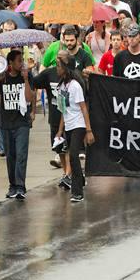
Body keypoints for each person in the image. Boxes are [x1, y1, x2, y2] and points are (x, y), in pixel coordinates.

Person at [0, 50, 34, 200]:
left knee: (21, 154)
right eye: (18, 60)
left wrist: (25, 80)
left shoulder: (27, 76)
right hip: (5, 123)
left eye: (22, 59)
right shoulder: (2, 78)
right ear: (10, 63)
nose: (21, 63)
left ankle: (20, 186)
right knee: (11, 156)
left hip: (21, 122)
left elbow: (30, 98)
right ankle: (12, 185)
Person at [54, 50, 93, 204]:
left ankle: (77, 191)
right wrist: (60, 130)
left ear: (66, 68)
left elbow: (83, 108)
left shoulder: (75, 86)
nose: (56, 69)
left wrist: (88, 130)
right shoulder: (62, 85)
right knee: (71, 154)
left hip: (79, 125)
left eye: (58, 66)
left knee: (73, 157)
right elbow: (63, 109)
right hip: (69, 125)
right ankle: (81, 179)